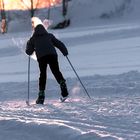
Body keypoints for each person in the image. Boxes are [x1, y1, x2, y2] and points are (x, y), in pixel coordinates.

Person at [25, 17, 69, 104]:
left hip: (42, 57)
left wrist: (29, 44)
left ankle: (41, 96)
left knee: (43, 74)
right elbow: (59, 44)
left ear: (35, 31)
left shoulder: (33, 39)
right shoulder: (49, 36)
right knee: (56, 71)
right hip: (52, 55)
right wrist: (65, 52)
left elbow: (28, 52)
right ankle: (63, 86)